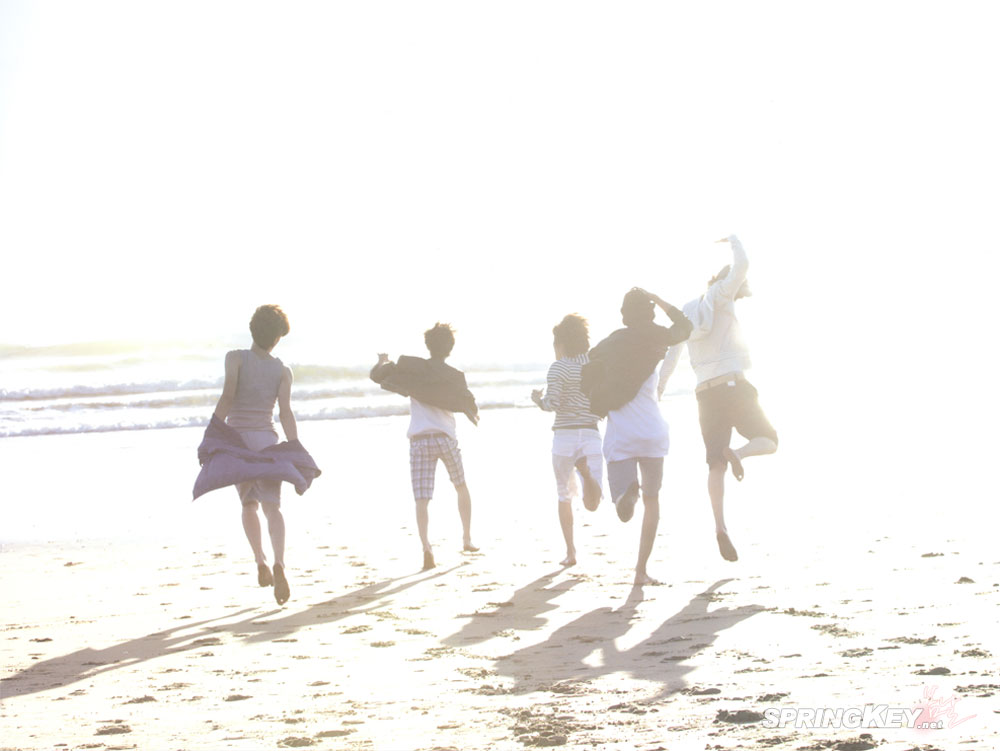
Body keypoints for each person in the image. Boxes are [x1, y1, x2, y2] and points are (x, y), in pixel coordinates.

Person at [658, 235, 778, 562]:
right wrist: (734, 239)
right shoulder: (723, 295)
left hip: (705, 396)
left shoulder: (686, 311)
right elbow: (743, 264)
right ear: (730, 285)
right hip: (734, 387)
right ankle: (738, 452)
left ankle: (720, 526)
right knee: (769, 440)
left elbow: (671, 356)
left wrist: (658, 391)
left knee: (715, 464)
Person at [584, 289, 692, 586]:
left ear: (624, 314)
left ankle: (625, 495)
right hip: (653, 432)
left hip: (622, 434)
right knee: (652, 500)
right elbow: (685, 326)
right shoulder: (656, 340)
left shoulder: (610, 344)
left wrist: (599, 398)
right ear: (650, 312)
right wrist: (659, 299)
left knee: (623, 508)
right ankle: (641, 570)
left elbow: (588, 368)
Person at [370, 323, 479, 571]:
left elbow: (378, 376)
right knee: (460, 486)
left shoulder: (413, 370)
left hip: (419, 440)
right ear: (450, 348)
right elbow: (469, 404)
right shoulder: (455, 376)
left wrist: (382, 361)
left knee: (422, 498)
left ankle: (427, 548)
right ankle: (467, 539)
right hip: (445, 437)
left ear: (428, 346)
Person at [211, 304, 297, 605]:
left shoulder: (234, 358)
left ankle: (260, 560)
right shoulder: (283, 371)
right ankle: (279, 562)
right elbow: (285, 413)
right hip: (267, 442)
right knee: (273, 507)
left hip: (240, 444)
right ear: (277, 338)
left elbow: (228, 397)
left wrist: (213, 432)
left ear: (252, 330)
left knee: (249, 504)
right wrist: (295, 445)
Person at [531, 314, 603, 567]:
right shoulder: (595, 363)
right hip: (590, 433)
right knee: (593, 502)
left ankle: (571, 552)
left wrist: (538, 400)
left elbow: (553, 403)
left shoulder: (558, 367)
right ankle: (588, 475)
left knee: (564, 495)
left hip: (564, 436)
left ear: (560, 343)